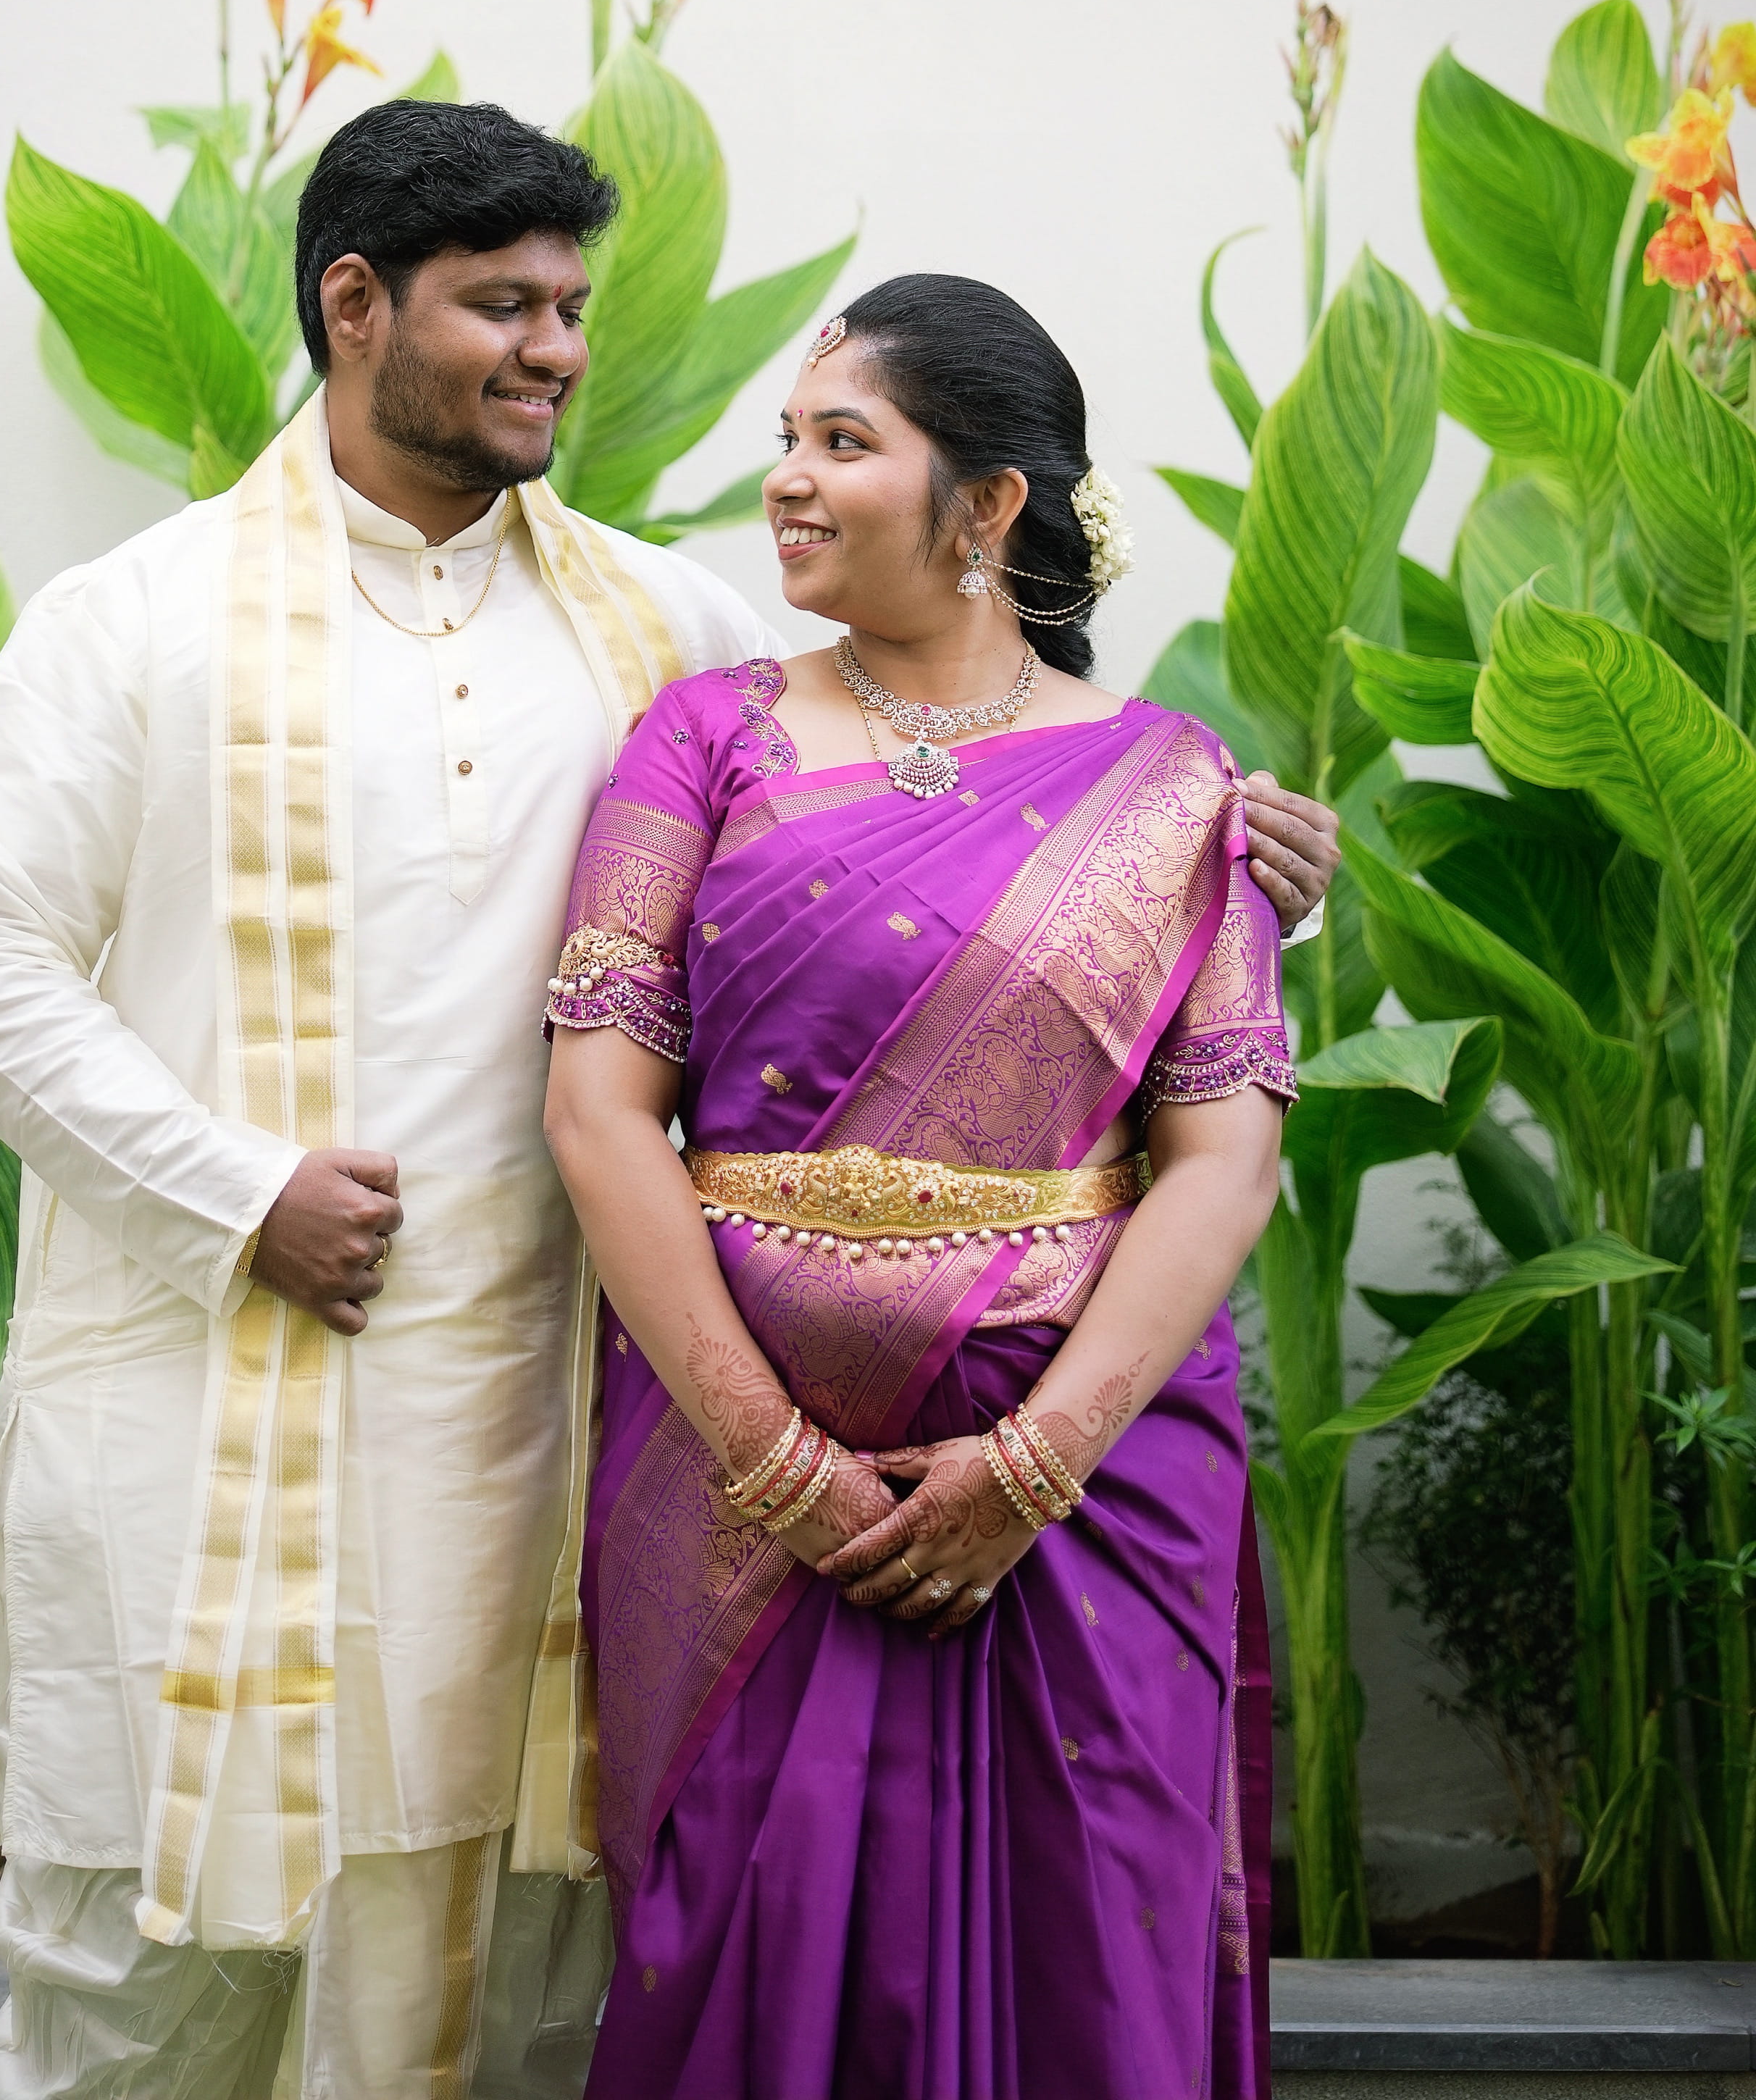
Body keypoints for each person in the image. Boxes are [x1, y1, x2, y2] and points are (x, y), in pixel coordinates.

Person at [0, 111, 1336, 2100]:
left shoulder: (666, 626)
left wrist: (1237, 863)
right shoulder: (128, 620)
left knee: (493, 1990)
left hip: (534, 1427)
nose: (560, 350)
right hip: (213, 1383)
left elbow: (949, 822)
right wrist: (236, 1193)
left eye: (573, 308)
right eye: (506, 306)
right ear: (352, 304)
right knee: (138, 1992)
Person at [545, 275, 1300, 2100]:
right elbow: (596, 1110)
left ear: (988, 504)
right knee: (755, 1922)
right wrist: (781, 1467)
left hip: (1089, 1491)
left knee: (1086, 1941)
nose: (787, 478)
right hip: (741, 1479)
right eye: (787, 439)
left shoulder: (1173, 784)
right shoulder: (702, 739)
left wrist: (1033, 1466)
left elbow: (1223, 1154)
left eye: (843, 440)